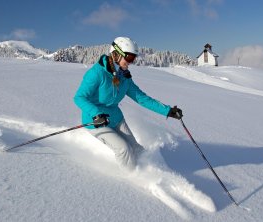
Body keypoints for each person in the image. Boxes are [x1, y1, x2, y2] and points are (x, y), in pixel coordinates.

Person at [74, 37, 183, 170]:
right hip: (96, 121)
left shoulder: (124, 77)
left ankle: (150, 171)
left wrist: (168, 111)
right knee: (123, 149)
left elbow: (141, 98)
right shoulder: (96, 73)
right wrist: (96, 114)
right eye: (130, 58)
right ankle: (132, 182)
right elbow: (79, 97)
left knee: (136, 148)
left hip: (115, 118)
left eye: (134, 58)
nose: (132, 62)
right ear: (116, 54)